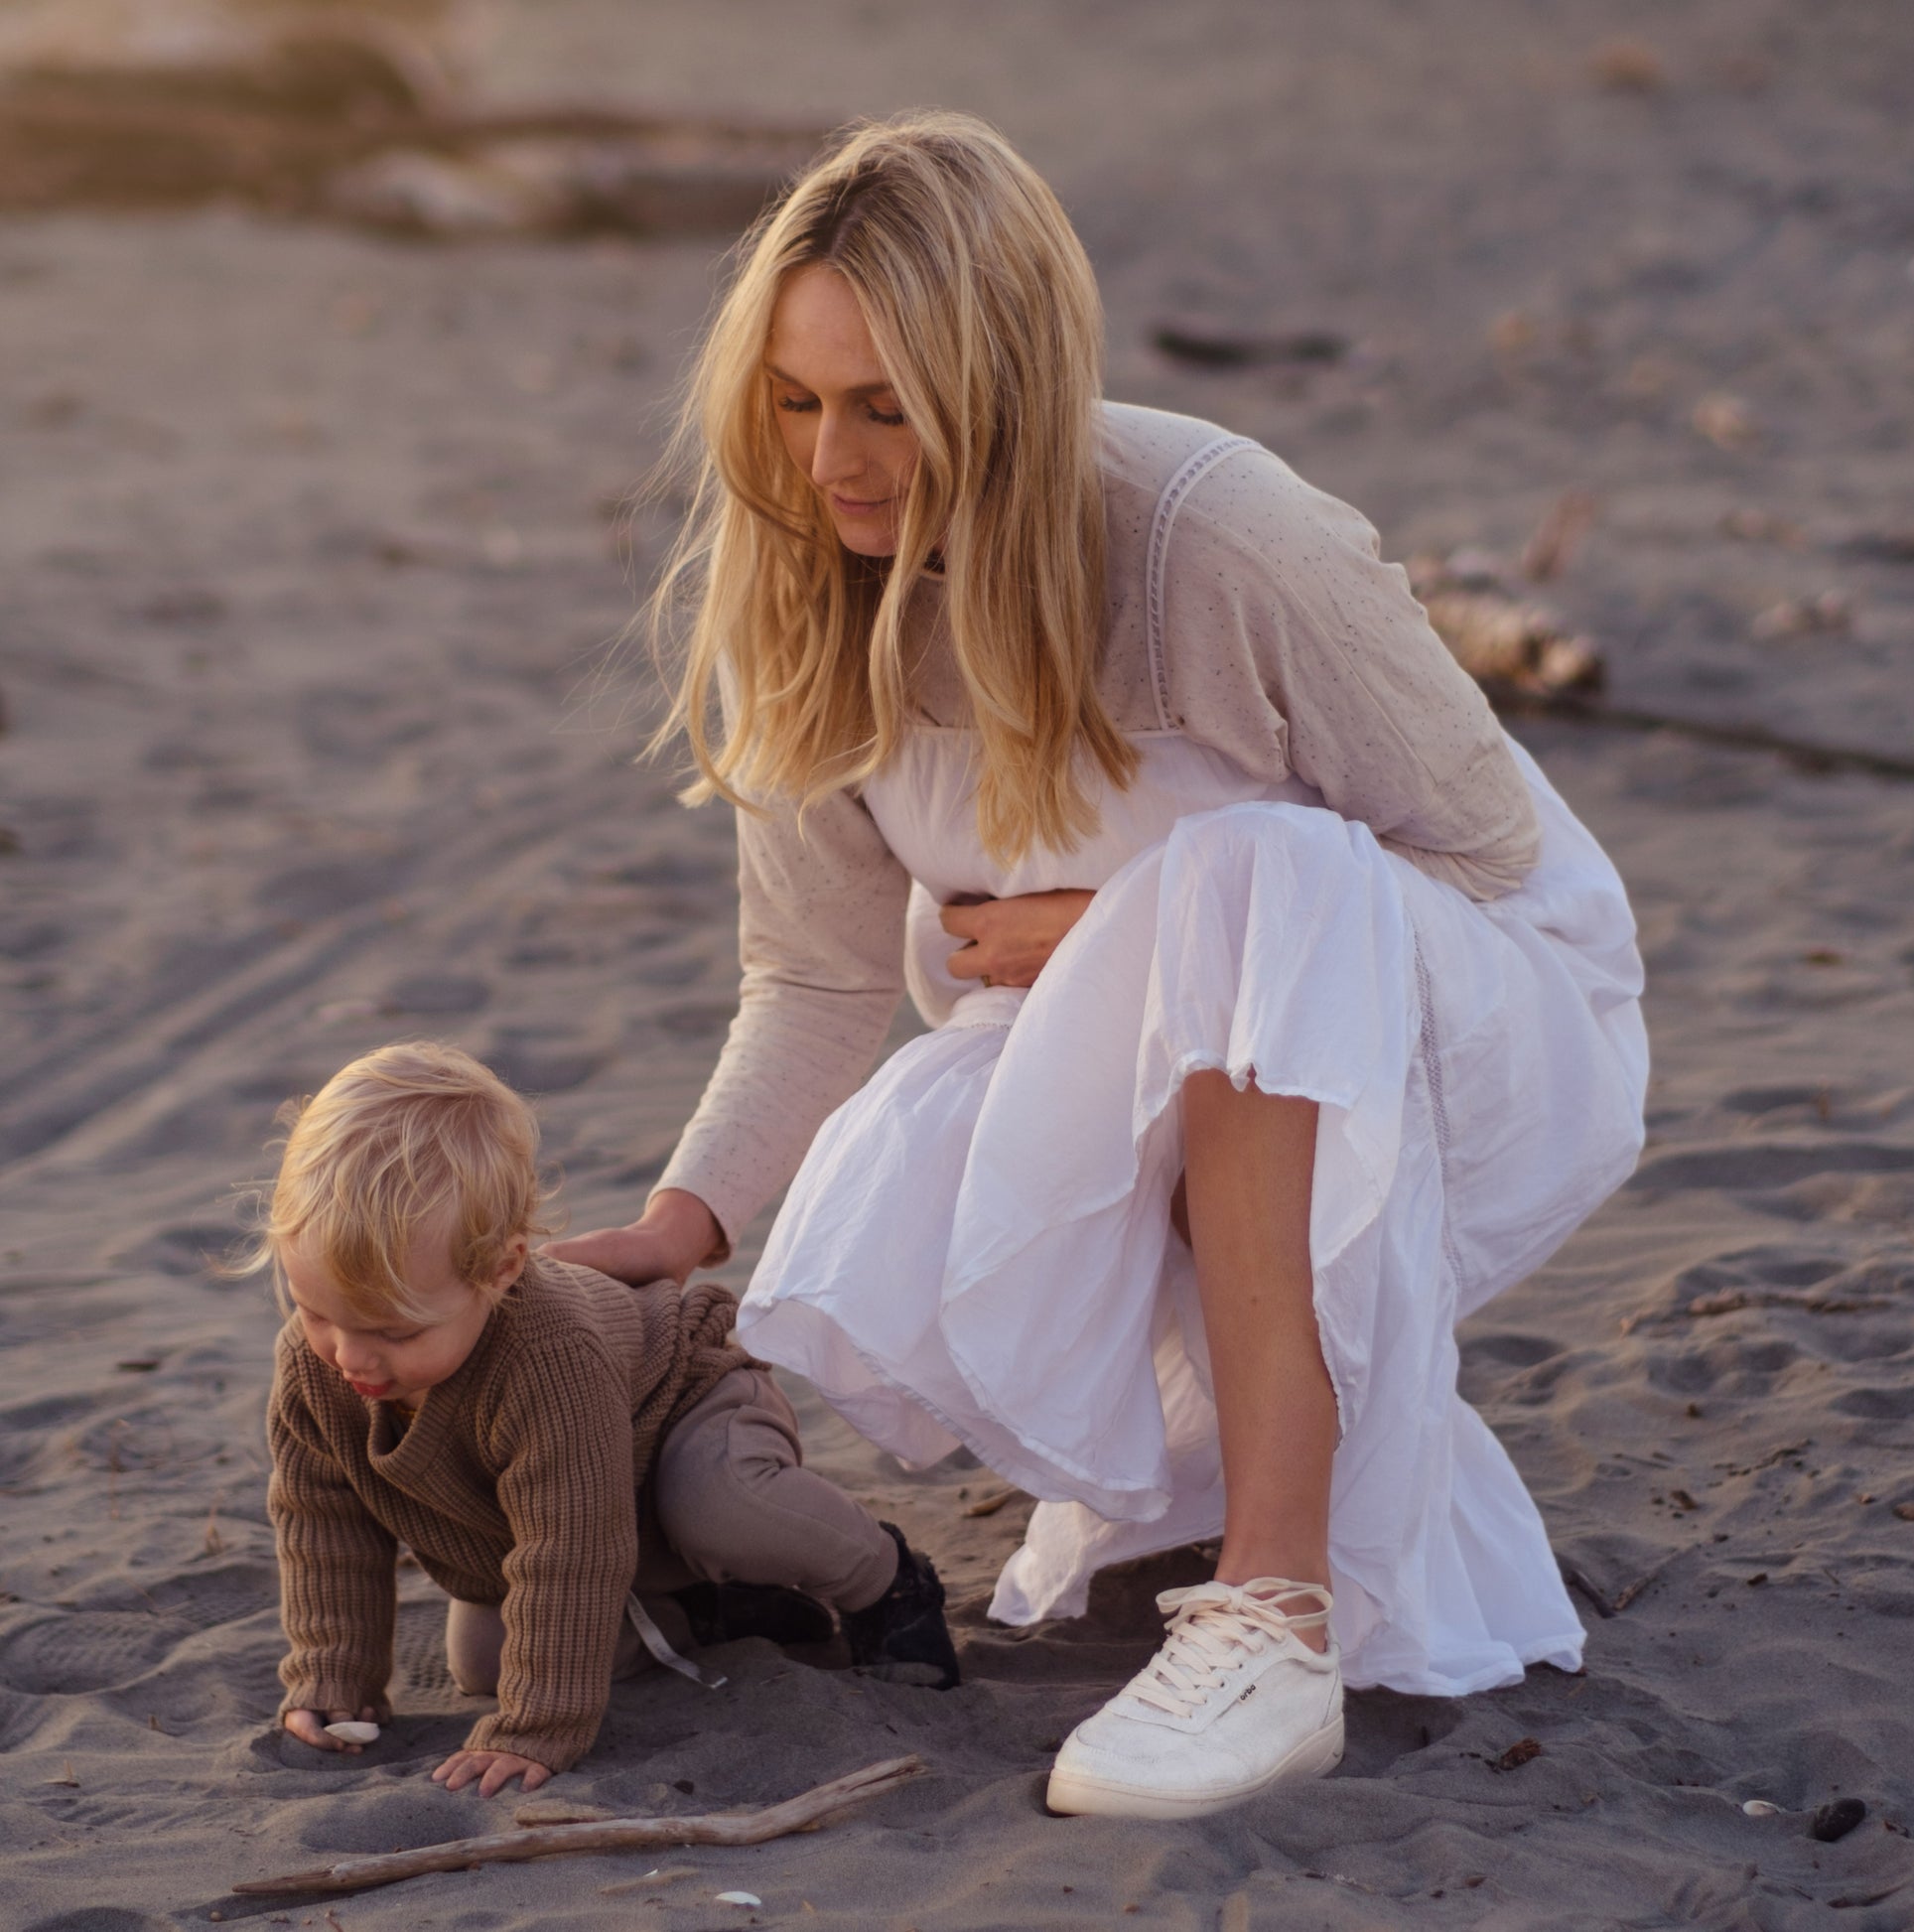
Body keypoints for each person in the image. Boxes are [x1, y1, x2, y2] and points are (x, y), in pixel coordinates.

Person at [553, 110, 1647, 1819]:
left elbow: (1486, 860)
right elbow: (822, 981)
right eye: (793, 398)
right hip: (1178, 1067)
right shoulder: (804, 587)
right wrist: (676, 1224)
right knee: (1090, 950)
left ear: (997, 387)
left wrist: (1118, 929)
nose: (830, 457)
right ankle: (1251, 1470)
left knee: (1246, 878)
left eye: (885, 404)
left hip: (1488, 1024)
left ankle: (1276, 1621)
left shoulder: (1217, 538)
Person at [253, 1040, 959, 1799]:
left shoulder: (548, 1354)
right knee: (488, 1663)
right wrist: (334, 1674)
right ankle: (709, 1607)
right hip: (562, 1507)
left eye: (395, 1333)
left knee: (723, 1508)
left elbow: (572, 1548)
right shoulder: (314, 1365)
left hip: (683, 1416)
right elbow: (323, 1519)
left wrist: (539, 1727)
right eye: (317, 1311)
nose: (350, 1356)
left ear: (502, 1270)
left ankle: (883, 1580)